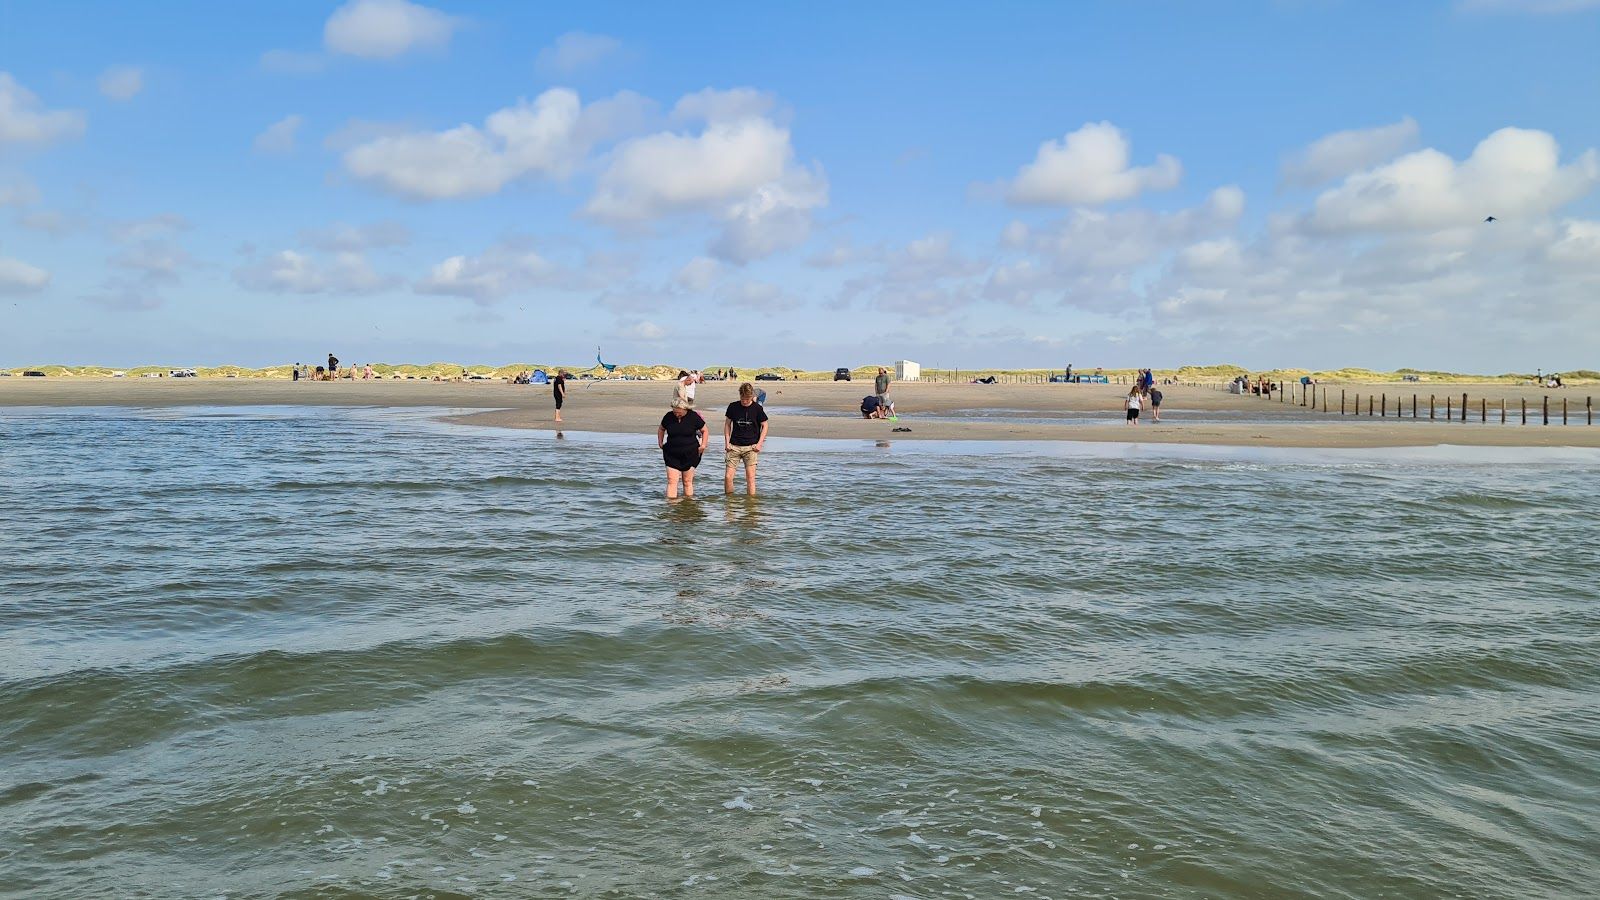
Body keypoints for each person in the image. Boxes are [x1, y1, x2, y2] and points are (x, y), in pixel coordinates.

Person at [724, 382, 770, 496]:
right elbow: (727, 425)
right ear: (740, 395)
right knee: (728, 477)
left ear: (751, 396)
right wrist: (727, 442)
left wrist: (759, 444)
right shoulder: (733, 406)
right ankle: (729, 504)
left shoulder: (757, 408)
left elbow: (765, 425)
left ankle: (751, 509)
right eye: (743, 398)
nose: (745, 401)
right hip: (734, 446)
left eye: (747, 399)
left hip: (751, 447)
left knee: (750, 478)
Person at [658, 397, 708, 499]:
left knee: (687, 481)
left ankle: (688, 506)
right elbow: (661, 428)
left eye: (679, 412)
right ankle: (671, 507)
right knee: (672, 480)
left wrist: (703, 445)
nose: (676, 414)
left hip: (690, 453)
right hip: (672, 454)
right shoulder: (668, 416)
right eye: (675, 412)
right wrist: (660, 442)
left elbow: (705, 430)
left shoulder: (693, 417)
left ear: (685, 409)